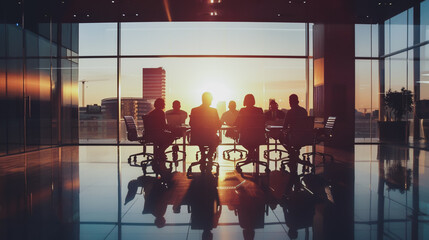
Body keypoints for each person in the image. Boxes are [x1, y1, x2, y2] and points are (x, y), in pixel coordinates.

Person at [146, 98, 175, 174]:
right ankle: (160, 151)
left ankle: (160, 152)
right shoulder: (161, 113)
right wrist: (172, 126)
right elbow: (163, 126)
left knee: (166, 136)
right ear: (160, 104)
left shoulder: (151, 113)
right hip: (158, 135)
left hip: (151, 135)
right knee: (172, 137)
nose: (165, 105)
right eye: (163, 103)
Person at [189, 92, 221, 161]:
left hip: (196, 138)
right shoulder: (213, 111)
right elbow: (218, 125)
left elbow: (191, 123)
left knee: (201, 138)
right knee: (216, 140)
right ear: (209, 100)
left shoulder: (194, 110)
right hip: (210, 137)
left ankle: (203, 155)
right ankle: (209, 155)